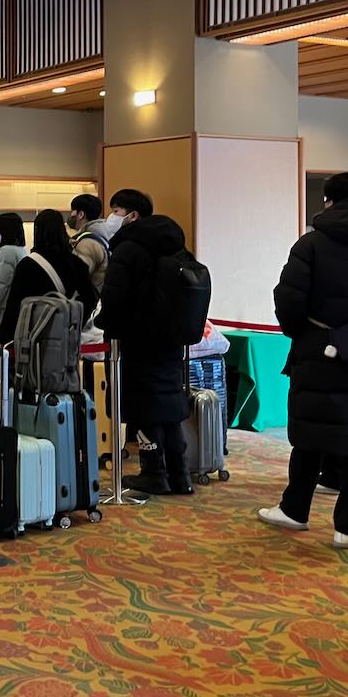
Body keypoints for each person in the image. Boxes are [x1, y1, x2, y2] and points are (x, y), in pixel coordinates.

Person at [257, 172, 348, 549]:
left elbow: (289, 301)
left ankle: (295, 509)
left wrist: (301, 332)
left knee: (310, 430)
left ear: (330, 201)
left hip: (317, 347)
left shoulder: (311, 244)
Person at [94, 189, 194, 495]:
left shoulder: (129, 249)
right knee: (169, 404)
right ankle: (181, 476)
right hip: (171, 339)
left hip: (137, 340)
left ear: (133, 215)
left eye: (117, 210)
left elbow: (113, 297)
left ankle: (154, 472)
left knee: (143, 404)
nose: (113, 217)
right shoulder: (175, 246)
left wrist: (104, 324)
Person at [0, 209, 95, 347]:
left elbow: (14, 305)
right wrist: (73, 321)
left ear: (37, 231)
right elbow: (91, 298)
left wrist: (3, 339)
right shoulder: (76, 263)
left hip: (32, 335)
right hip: (63, 334)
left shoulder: (28, 265)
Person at [68, 193, 113, 293]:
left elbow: (77, 277)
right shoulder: (100, 235)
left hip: (90, 302)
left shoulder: (87, 243)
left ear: (80, 214)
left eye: (72, 211)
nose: (70, 215)